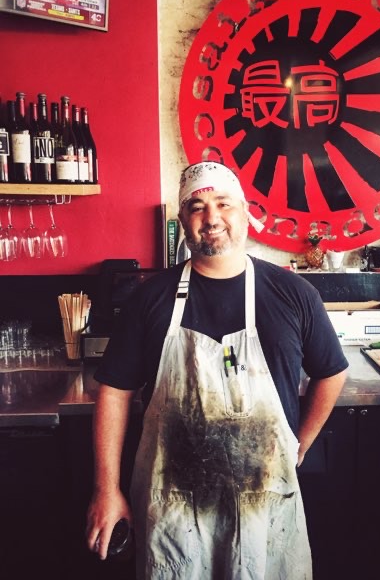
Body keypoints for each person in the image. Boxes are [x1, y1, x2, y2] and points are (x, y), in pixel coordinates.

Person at [86, 161, 348, 579]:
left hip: (265, 503)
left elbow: (331, 372)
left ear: (245, 212)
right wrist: (106, 489)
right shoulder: (150, 298)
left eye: (224, 203)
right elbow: (114, 392)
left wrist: (299, 445)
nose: (212, 218)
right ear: (183, 220)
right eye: (197, 207)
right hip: (173, 506)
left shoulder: (294, 293)